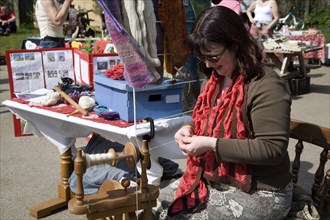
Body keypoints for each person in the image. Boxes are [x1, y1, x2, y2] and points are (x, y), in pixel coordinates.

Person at [154, 6, 292, 220]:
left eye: (213, 56)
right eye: (203, 57)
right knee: (156, 205)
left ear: (236, 45)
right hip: (218, 179)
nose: (208, 64)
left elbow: (272, 148)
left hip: (262, 190)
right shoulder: (215, 79)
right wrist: (188, 129)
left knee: (179, 217)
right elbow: (210, 120)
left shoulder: (267, 85)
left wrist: (211, 144)